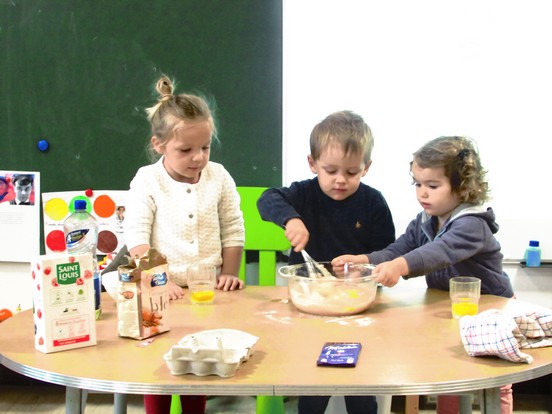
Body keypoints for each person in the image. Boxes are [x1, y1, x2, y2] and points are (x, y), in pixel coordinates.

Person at [333, 136, 514, 414]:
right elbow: (401, 247)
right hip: (449, 310)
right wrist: (366, 261)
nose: (422, 193)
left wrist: (400, 267)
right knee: (448, 375)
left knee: (496, 380)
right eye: (417, 184)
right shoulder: (425, 220)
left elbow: (438, 252)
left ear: (463, 187)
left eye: (432, 186)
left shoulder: (472, 224)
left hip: (489, 311)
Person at [257, 110, 395, 414]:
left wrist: (367, 263)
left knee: (359, 387)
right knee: (313, 385)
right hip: (310, 306)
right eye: (330, 170)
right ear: (312, 163)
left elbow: (387, 252)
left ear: (366, 168)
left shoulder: (373, 203)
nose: (340, 180)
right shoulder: (303, 194)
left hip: (357, 308)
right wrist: (290, 218)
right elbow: (266, 200)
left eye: (351, 172)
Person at [124, 75, 245, 414]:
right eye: (186, 150)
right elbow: (135, 237)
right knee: (159, 370)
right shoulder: (148, 180)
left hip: (206, 295)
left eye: (205, 148)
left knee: (200, 364)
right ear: (158, 145)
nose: (198, 158)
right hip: (160, 294)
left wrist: (230, 274)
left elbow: (233, 229)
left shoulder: (219, 177)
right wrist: (158, 278)